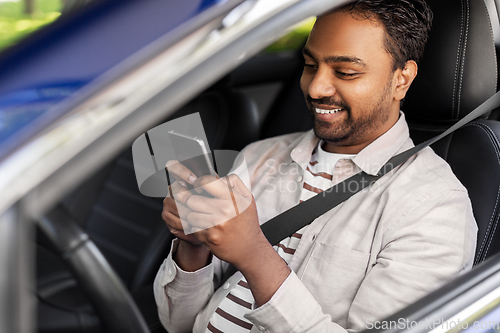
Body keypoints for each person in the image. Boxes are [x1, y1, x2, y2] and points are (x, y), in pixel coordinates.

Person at [154, 1, 478, 332]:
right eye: (310, 65)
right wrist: (193, 247)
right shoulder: (260, 157)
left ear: (401, 79)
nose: (315, 88)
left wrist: (254, 255)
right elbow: (178, 324)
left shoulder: (435, 208)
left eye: (346, 72)